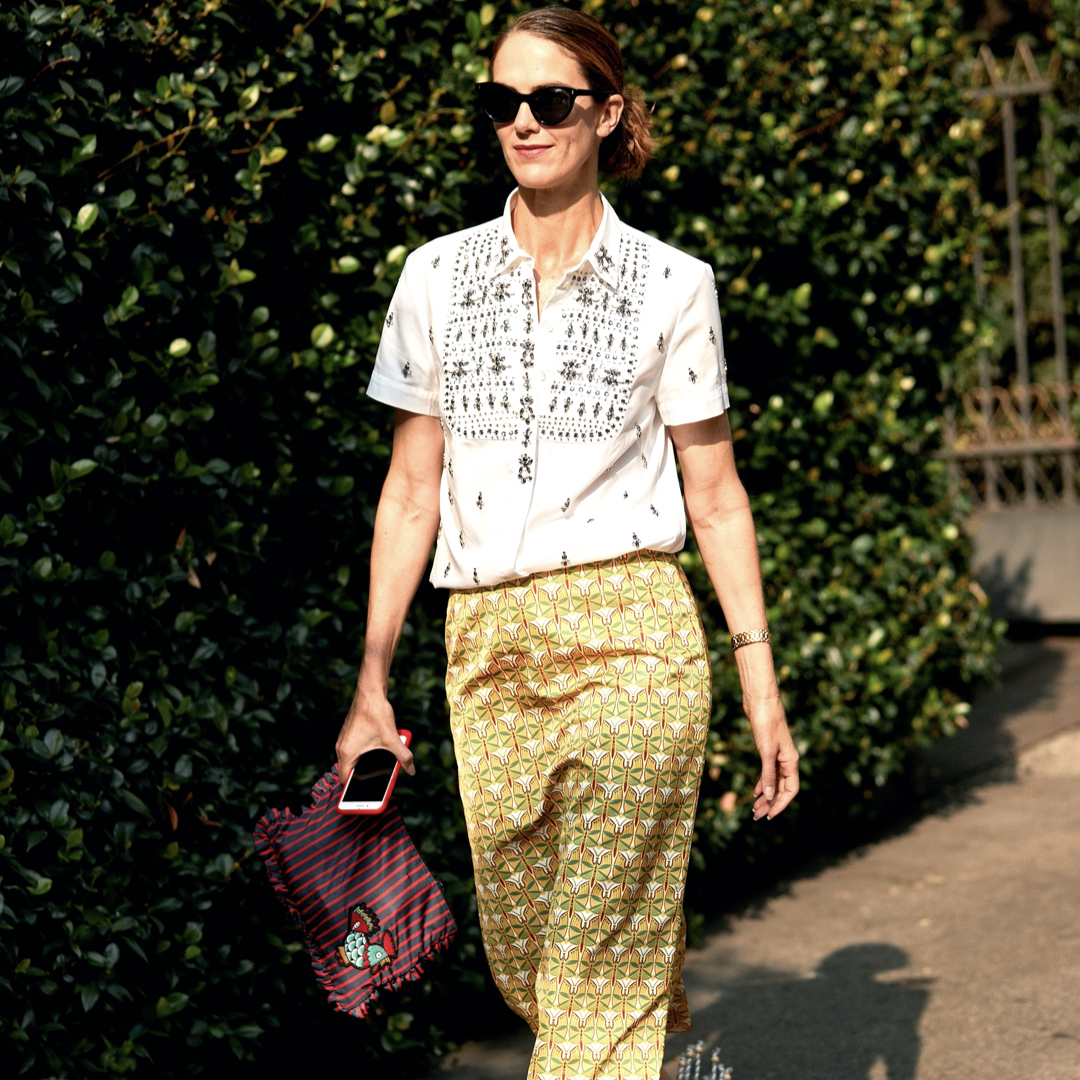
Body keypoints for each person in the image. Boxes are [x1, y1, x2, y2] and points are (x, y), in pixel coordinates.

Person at [335, 8, 799, 1079]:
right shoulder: (434, 279)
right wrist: (371, 681)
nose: (525, 121)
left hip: (636, 633)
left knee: (595, 963)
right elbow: (411, 490)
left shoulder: (674, 284)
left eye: (551, 101)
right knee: (539, 959)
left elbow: (717, 496)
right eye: (504, 102)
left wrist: (758, 680)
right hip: (487, 646)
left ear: (607, 114)